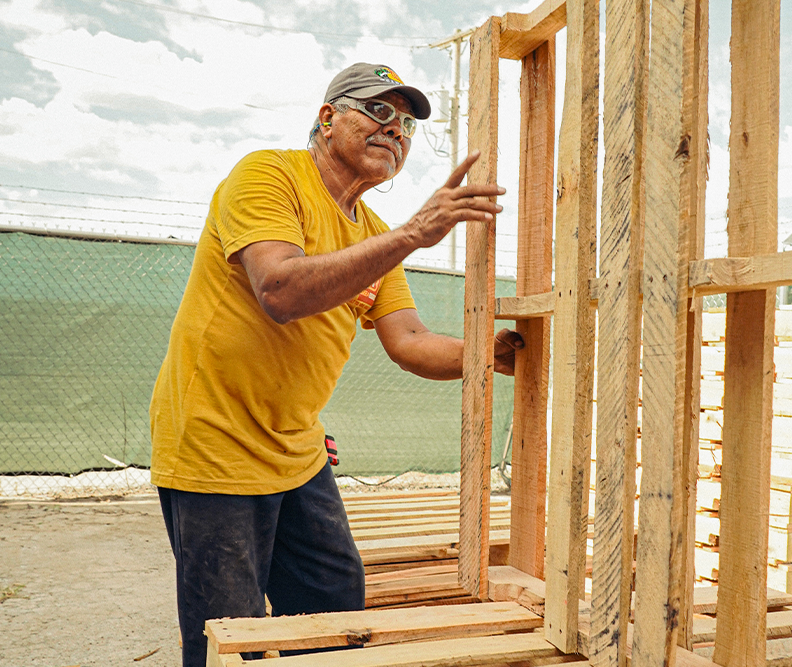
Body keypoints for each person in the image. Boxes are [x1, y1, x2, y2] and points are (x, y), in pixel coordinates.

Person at [148, 62, 521, 667]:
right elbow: (281, 292)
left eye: (405, 126)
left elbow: (409, 341)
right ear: (328, 118)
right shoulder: (269, 176)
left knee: (332, 604)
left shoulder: (372, 232)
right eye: (378, 112)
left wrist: (490, 356)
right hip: (212, 445)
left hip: (297, 451)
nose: (394, 131)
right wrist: (414, 234)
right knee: (231, 634)